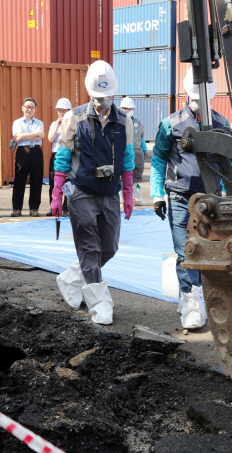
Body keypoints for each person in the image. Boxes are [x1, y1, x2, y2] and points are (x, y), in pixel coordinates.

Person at [150, 67, 232, 331]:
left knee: (208, 250)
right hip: (179, 197)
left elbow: (228, 164)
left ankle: (196, 297)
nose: (202, 108)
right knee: (185, 250)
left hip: (211, 201)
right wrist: (156, 194)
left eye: (206, 102)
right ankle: (189, 301)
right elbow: (158, 160)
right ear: (188, 96)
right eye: (198, 102)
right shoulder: (171, 124)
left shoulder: (222, 124)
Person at [50, 60, 135, 325]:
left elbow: (129, 159)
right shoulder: (74, 118)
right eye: (98, 97)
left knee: (108, 247)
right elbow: (62, 158)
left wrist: (128, 193)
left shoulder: (124, 121)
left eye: (107, 96)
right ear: (90, 94)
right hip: (81, 191)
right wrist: (56, 194)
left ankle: (71, 278)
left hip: (109, 192)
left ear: (114, 93)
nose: (103, 102)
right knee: (89, 246)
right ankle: (100, 303)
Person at [11, 98, 45, 217]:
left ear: (35, 109)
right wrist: (34, 135)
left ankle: (34, 208)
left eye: (31, 107)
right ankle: (17, 209)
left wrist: (24, 136)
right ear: (22, 108)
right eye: (27, 106)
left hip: (36, 151)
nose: (29, 109)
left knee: (36, 180)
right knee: (19, 180)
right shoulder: (17, 122)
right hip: (23, 151)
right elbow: (18, 136)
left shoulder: (39, 123)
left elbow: (40, 137)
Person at [120, 97, 148, 206]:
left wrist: (144, 148)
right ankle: (122, 198)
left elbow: (141, 137)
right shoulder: (118, 122)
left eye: (130, 108)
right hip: (123, 153)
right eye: (126, 108)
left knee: (136, 175)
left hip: (136, 153)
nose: (128, 110)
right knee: (122, 176)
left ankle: (137, 198)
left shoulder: (137, 123)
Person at [47, 98, 72, 217]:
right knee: (53, 182)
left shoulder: (73, 124)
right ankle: (53, 206)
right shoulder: (54, 124)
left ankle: (66, 207)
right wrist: (57, 126)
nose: (60, 113)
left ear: (69, 111)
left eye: (63, 111)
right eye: (59, 111)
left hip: (68, 154)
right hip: (56, 155)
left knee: (69, 182)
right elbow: (50, 139)